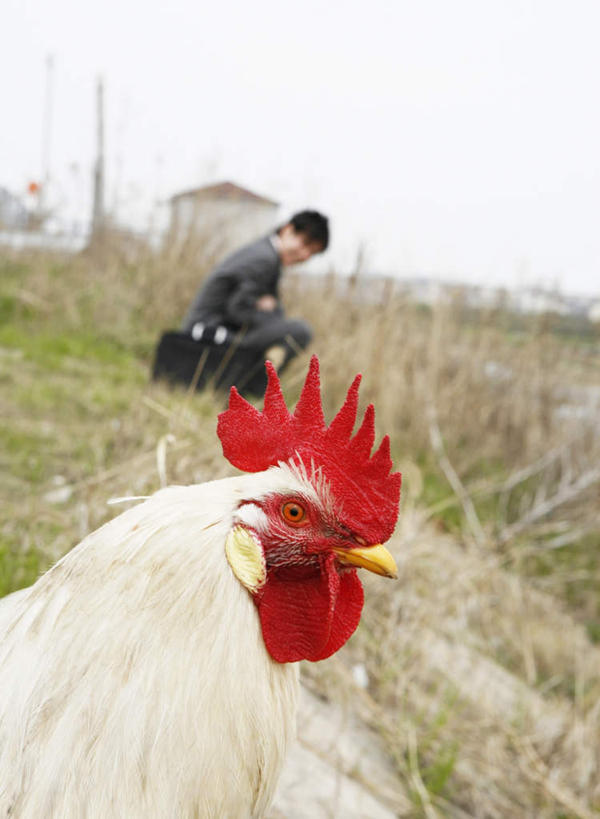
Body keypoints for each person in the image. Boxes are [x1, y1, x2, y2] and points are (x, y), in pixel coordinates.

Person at [181, 210, 329, 372]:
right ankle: (255, 388)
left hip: (215, 327)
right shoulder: (264, 259)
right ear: (288, 229)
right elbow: (238, 309)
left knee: (282, 328)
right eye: (305, 244)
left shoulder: (264, 251)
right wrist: (270, 315)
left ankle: (253, 387)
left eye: (312, 253)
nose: (305, 254)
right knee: (299, 331)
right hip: (208, 331)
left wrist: (270, 310)